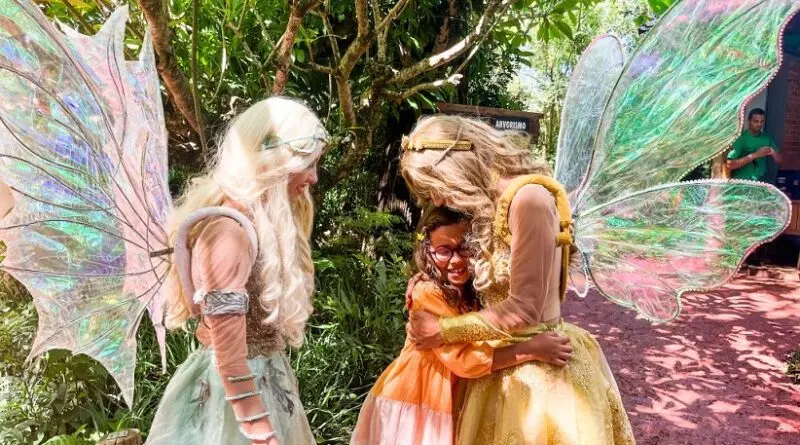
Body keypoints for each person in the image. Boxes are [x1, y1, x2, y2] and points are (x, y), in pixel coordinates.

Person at [399, 115, 635, 444]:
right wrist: (430, 281)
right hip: (501, 368)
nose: (437, 201)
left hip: (541, 376)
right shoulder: (492, 204)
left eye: (435, 186)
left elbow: (524, 309)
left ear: (455, 165)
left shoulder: (529, 200)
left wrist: (442, 330)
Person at [145, 97, 324, 445]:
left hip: (264, 380)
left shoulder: (256, 225)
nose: (313, 177)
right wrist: (261, 434)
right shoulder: (228, 233)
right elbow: (229, 358)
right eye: (308, 164)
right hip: (232, 400)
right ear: (274, 163)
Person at [350, 207, 573, 445]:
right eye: (443, 251)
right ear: (427, 252)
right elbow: (464, 360)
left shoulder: (472, 292)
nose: (456, 260)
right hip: (416, 401)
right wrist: (530, 349)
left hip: (443, 401)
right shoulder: (427, 293)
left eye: (464, 248)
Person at [726, 108, 782, 182]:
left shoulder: (767, 138)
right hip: (743, 182)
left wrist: (773, 152)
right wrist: (756, 155)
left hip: (761, 182)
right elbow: (730, 164)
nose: (759, 124)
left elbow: (779, 160)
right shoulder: (742, 138)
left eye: (762, 121)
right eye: (756, 121)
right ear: (749, 121)